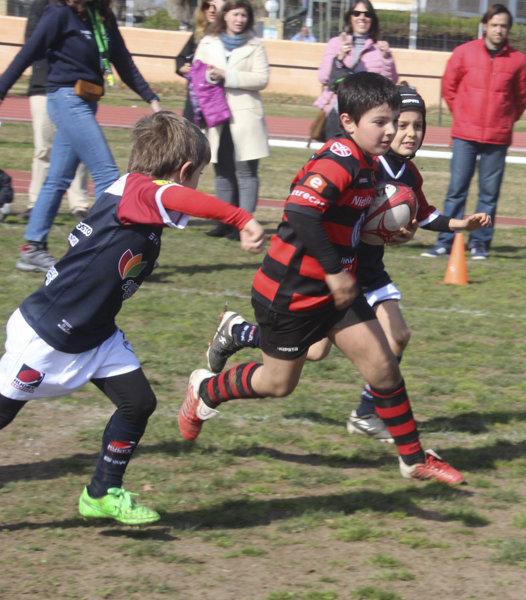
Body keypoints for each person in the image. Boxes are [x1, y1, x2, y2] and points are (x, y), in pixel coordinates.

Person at [0, 112, 265, 525]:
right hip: (50, 331)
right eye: (199, 174)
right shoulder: (140, 191)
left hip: (95, 332)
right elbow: (176, 197)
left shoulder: (135, 193)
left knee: (138, 403)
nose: (197, 183)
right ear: (184, 171)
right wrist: (241, 218)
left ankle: (101, 492)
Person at [178, 72, 464, 484]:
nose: (389, 131)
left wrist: (390, 233)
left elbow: (351, 220)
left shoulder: (369, 163)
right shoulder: (339, 158)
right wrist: (335, 273)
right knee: (278, 384)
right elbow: (300, 213)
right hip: (290, 291)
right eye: (380, 122)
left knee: (383, 366)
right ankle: (205, 391)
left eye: (393, 121)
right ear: (348, 122)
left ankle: (415, 458)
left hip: (336, 293)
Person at [0, 0, 163, 273]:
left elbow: (123, 61)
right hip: (65, 98)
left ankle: (32, 248)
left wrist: (151, 98)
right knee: (106, 173)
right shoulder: (59, 13)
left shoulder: (103, 16)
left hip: (87, 100)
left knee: (58, 178)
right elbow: (29, 51)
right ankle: (117, 250)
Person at [422, 3, 526, 261]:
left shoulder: (518, 60)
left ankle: (480, 243)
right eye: (494, 24)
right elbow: (449, 86)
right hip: (465, 135)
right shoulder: (464, 53)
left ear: (509, 29)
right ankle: (445, 241)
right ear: (485, 25)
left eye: (503, 25)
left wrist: (505, 119)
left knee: (489, 195)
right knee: (456, 191)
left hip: (498, 138)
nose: (498, 30)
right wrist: (461, 113)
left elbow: (523, 97)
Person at [194, 0, 270, 241]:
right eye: (236, 14)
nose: (240, 20)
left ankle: (245, 224)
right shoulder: (208, 41)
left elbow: (262, 79)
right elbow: (196, 72)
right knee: (222, 170)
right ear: (225, 16)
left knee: (246, 171)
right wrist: (208, 75)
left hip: (245, 116)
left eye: (244, 16)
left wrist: (228, 75)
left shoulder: (255, 45)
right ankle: (224, 222)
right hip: (215, 114)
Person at [22, 0, 91, 223]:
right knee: (43, 148)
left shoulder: (82, 7)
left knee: (78, 147)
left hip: (75, 87)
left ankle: (79, 204)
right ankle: (36, 202)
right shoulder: (42, 5)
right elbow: (32, 42)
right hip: (43, 85)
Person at [313, 0, 397, 142]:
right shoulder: (336, 43)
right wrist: (340, 56)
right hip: (337, 111)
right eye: (356, 13)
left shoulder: (380, 48)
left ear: (373, 19)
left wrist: (387, 58)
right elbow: (323, 78)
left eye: (367, 14)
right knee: (336, 157)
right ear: (350, 18)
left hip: (366, 115)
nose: (361, 18)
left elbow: (390, 83)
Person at [175, 0, 220, 124]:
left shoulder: (226, 35)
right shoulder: (198, 34)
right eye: (207, 6)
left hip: (217, 97)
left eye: (215, 6)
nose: (211, 10)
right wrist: (182, 69)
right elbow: (181, 58)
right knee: (189, 134)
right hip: (196, 96)